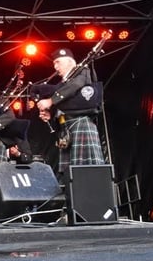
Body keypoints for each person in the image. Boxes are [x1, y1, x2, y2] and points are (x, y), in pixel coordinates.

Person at [35, 47, 104, 182]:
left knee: (85, 169)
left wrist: (51, 101)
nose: (55, 67)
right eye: (54, 63)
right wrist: (51, 115)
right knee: (70, 173)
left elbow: (75, 86)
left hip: (81, 125)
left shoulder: (82, 72)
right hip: (67, 130)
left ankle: (91, 193)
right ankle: (74, 194)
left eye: (58, 62)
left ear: (70, 62)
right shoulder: (62, 85)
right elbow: (66, 106)